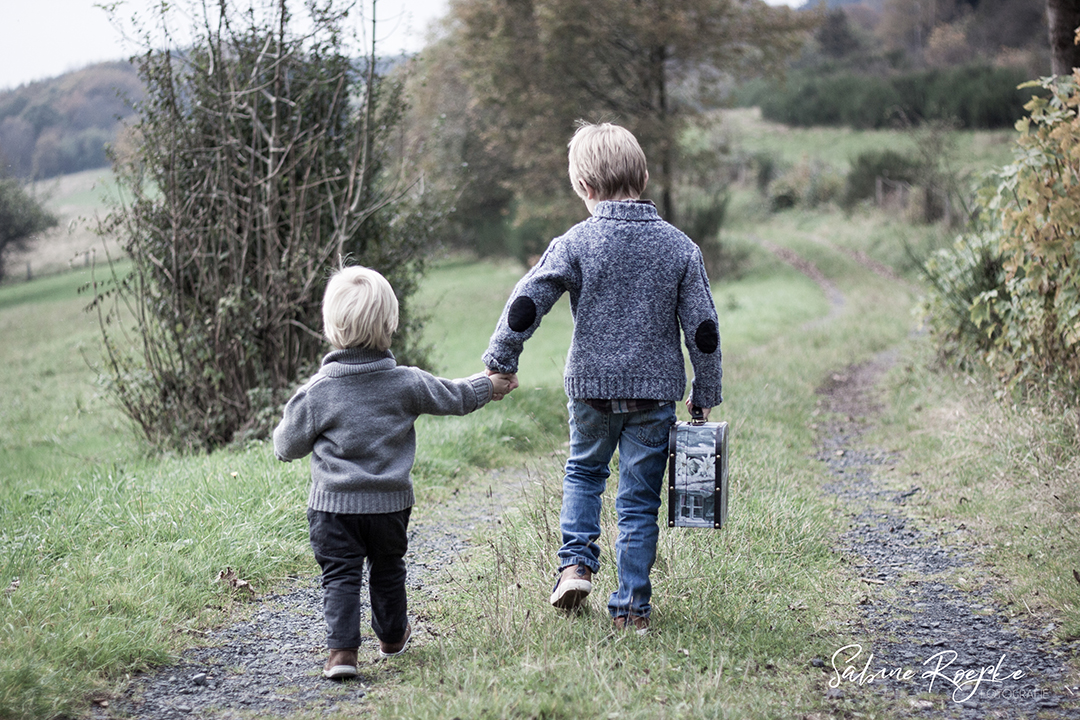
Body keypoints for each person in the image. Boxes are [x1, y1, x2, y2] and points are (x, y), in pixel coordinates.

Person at [482, 122, 722, 633]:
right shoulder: (680, 247)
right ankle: (632, 607)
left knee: (585, 473)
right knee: (638, 499)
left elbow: (528, 302)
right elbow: (703, 328)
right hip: (653, 395)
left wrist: (502, 358)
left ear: (583, 188)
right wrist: (705, 391)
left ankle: (574, 566)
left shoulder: (575, 241)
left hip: (590, 388)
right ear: (644, 175)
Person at [274, 265, 517, 679]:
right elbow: (453, 395)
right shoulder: (405, 382)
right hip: (389, 506)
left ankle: (342, 655)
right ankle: (391, 637)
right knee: (388, 570)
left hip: (333, 509)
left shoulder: (317, 392)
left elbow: (285, 446)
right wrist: (489, 385)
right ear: (391, 324)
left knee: (340, 576)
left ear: (330, 327)